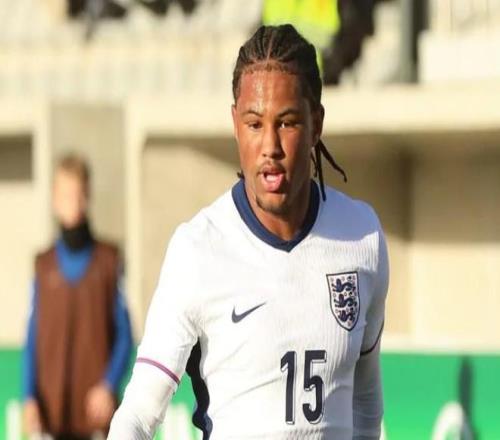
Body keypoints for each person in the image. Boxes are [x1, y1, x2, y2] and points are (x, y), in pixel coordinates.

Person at [108, 23, 389, 440]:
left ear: (316, 124)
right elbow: (137, 415)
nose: (270, 146)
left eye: (287, 123)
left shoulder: (362, 237)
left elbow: (365, 401)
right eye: (255, 124)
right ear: (235, 124)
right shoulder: (197, 249)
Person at [23, 154, 133, 440]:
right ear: (54, 200)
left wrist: (108, 384)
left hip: (96, 420)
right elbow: (32, 337)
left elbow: (125, 335)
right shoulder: (42, 266)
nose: (72, 203)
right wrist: (28, 396)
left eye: (77, 194)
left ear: (87, 197)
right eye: (65, 195)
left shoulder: (109, 261)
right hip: (51, 417)